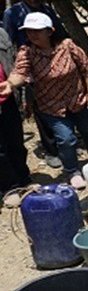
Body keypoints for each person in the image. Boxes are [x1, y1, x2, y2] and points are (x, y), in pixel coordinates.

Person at [3, 12, 88, 189]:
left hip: (77, 99)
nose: (32, 34)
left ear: (50, 31)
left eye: (37, 30)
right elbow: (20, 73)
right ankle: (72, 170)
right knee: (66, 139)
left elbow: (86, 69)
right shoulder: (27, 52)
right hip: (51, 105)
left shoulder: (67, 46)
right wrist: (10, 84)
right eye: (29, 31)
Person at [3, 0, 68, 168]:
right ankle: (51, 150)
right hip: (30, 66)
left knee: (58, 101)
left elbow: (60, 34)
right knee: (39, 106)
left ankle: (65, 140)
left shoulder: (47, 10)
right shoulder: (12, 14)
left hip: (54, 63)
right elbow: (8, 42)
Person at [0, 42, 30, 194]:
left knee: (16, 142)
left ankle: (24, 179)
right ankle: (10, 187)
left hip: (7, 99)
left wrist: (12, 84)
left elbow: (15, 65)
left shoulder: (2, 36)